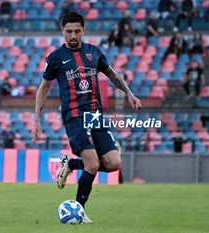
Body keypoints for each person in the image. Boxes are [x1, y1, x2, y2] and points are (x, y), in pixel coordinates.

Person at [32, 12, 141, 223]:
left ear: (83, 30)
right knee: (91, 164)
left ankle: (72, 165)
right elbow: (43, 88)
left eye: (77, 31)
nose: (72, 35)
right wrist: (37, 119)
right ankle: (78, 212)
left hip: (95, 115)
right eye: (68, 31)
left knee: (113, 163)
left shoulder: (94, 52)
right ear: (63, 31)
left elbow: (113, 76)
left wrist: (129, 93)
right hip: (74, 117)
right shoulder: (55, 58)